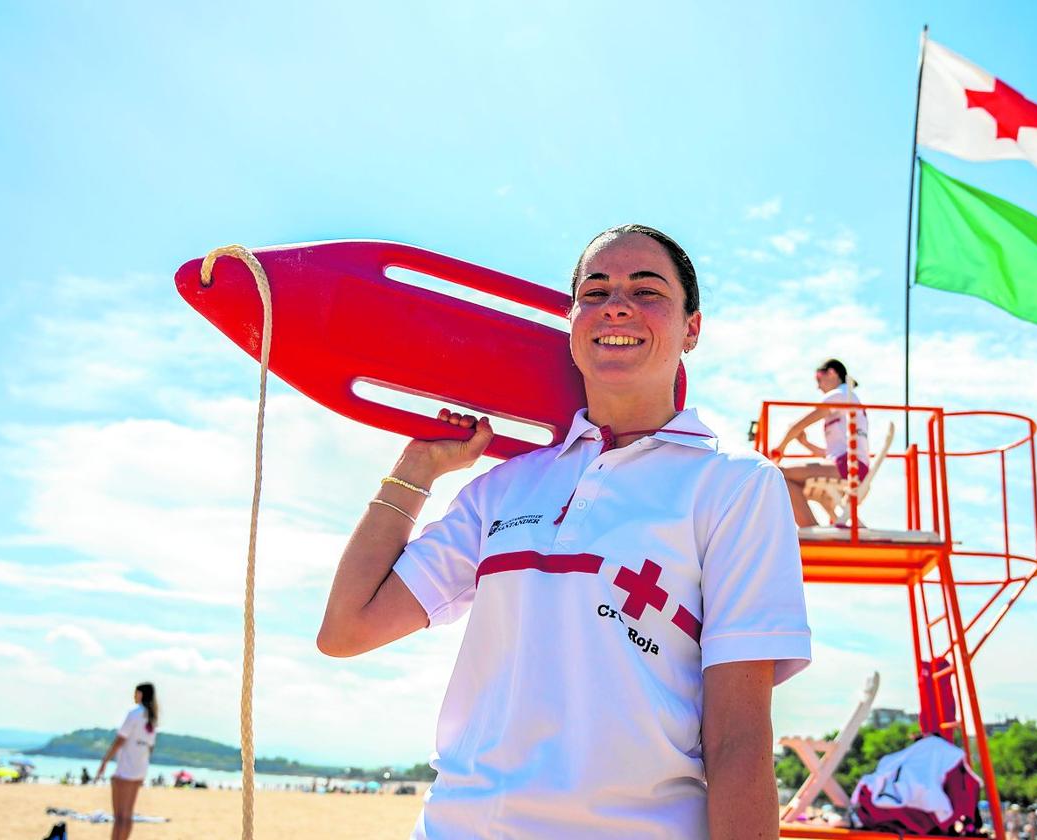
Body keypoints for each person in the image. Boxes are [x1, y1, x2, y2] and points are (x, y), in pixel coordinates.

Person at [318, 224, 811, 839]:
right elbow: (347, 628)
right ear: (572, 322)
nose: (617, 305)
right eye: (595, 290)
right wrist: (416, 469)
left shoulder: (736, 487)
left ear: (692, 328)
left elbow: (739, 738)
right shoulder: (506, 487)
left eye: (647, 290)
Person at [770, 359, 870, 528]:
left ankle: (811, 530)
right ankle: (812, 529)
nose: (818, 386)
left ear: (832, 372)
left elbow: (797, 425)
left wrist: (778, 450)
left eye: (818, 378)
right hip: (848, 464)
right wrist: (805, 443)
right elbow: (830, 453)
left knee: (777, 473)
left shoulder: (840, 394)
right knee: (787, 482)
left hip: (849, 466)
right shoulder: (847, 398)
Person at [96, 682, 158, 840]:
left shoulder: (135, 713)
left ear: (141, 694)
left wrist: (105, 761)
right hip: (140, 769)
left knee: (119, 816)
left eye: (136, 693)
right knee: (127, 815)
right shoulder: (152, 719)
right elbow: (150, 748)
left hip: (125, 769)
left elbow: (120, 740)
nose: (134, 696)